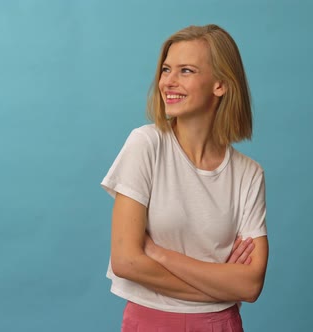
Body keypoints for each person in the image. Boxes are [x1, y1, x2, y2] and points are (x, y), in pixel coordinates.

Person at [101, 24, 268, 331]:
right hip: (149, 322)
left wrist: (156, 253)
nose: (168, 82)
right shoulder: (146, 145)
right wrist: (219, 284)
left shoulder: (248, 174)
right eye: (166, 69)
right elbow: (126, 262)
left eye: (186, 71)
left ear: (220, 84)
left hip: (221, 325)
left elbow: (250, 285)